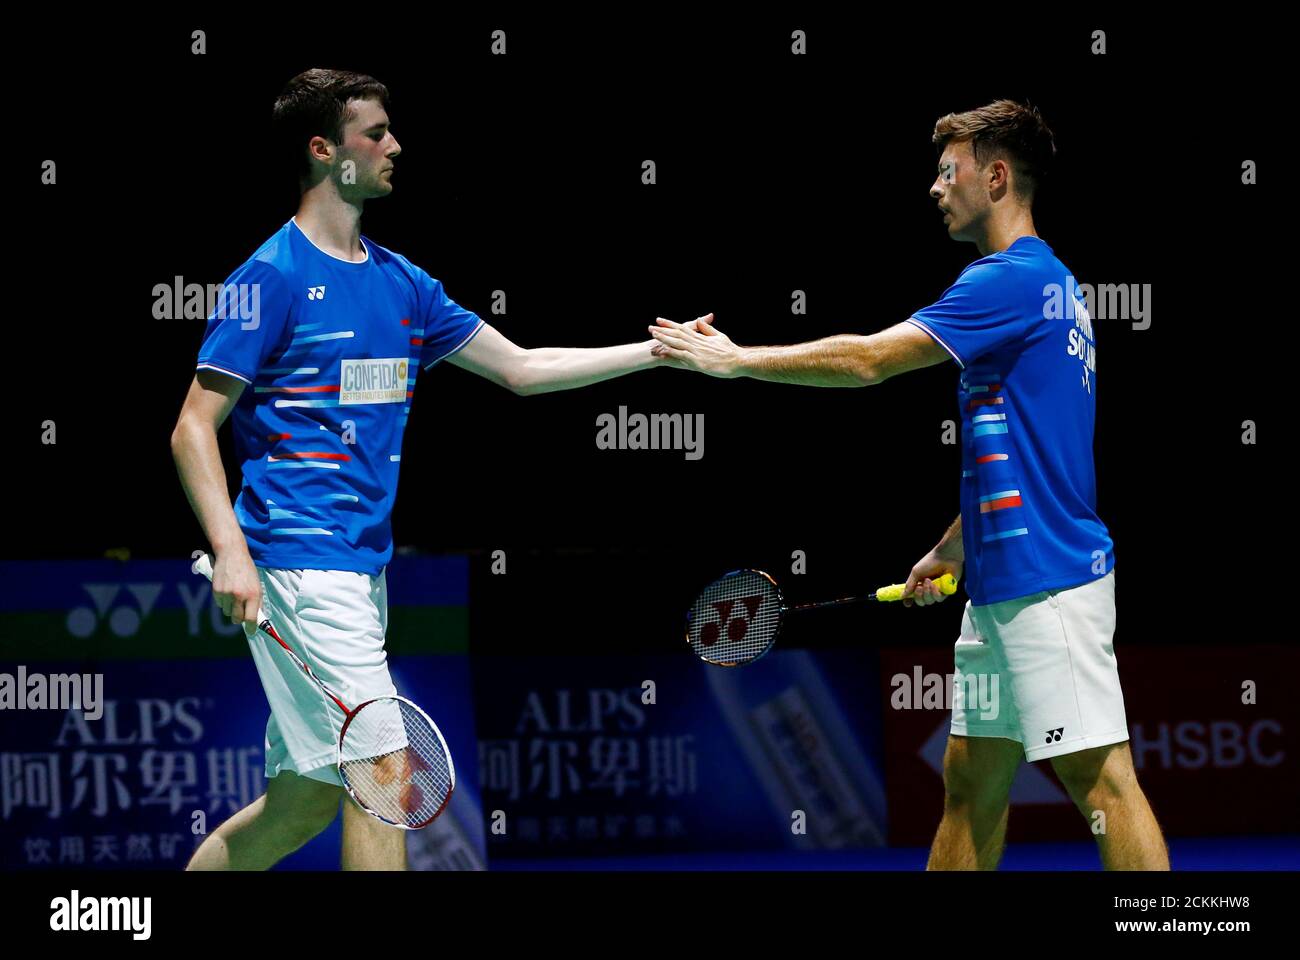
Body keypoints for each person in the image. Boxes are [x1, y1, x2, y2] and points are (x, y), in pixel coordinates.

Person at [171, 68, 675, 870]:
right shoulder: (267, 277)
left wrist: (655, 353)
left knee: (300, 805)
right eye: (375, 132)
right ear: (325, 151)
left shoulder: (404, 283)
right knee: (386, 775)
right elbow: (193, 427)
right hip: (299, 564)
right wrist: (229, 548)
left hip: (359, 570)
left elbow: (522, 367)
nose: (394, 144)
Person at [650, 100, 1168, 871]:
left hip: (1048, 588)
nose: (934, 187)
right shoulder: (1051, 283)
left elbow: (869, 360)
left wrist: (737, 361)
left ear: (995, 177)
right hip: (1001, 589)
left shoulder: (1009, 279)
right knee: (971, 783)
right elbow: (1029, 449)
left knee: (1104, 786)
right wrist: (951, 547)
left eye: (947, 170)